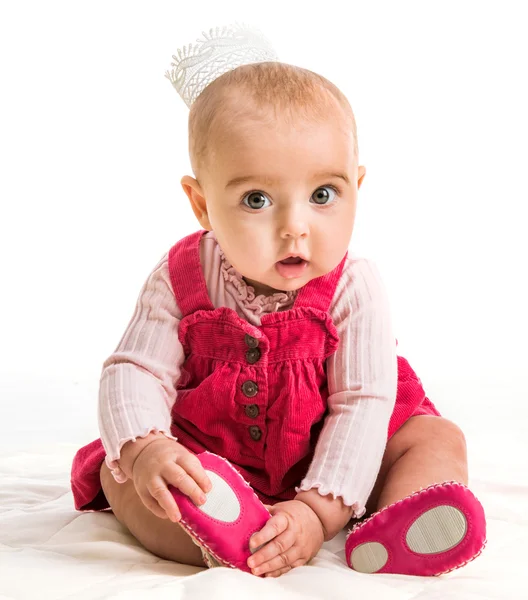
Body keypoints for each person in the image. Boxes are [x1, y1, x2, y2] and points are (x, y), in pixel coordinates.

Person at [70, 23, 486, 578]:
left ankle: (401, 522)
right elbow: (134, 369)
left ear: (356, 188)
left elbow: (362, 405)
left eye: (322, 195)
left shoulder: (353, 285)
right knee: (123, 477)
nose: (295, 228)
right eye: (257, 199)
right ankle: (227, 530)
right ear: (201, 204)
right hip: (212, 451)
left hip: (335, 447)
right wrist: (146, 449)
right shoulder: (180, 275)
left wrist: (319, 511)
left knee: (434, 437)